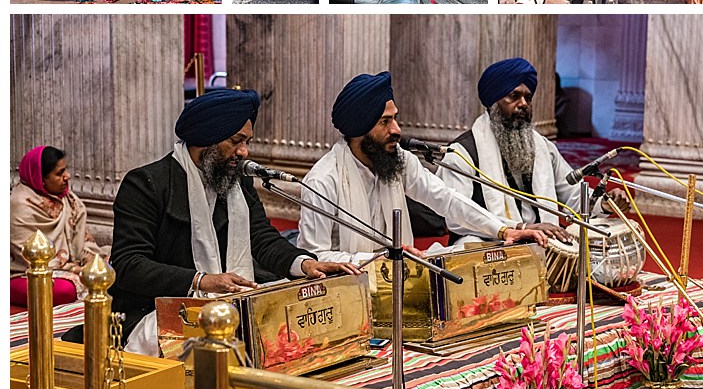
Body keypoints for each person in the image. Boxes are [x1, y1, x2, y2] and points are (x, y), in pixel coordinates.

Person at [109, 89, 354, 353]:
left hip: (229, 304)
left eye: (246, 141)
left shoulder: (236, 182)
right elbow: (128, 265)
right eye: (236, 141)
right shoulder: (147, 184)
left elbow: (262, 239)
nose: (244, 152)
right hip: (157, 311)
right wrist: (202, 281)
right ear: (207, 139)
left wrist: (306, 264)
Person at [298, 71, 545, 264]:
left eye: (395, 118)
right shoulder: (323, 181)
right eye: (386, 121)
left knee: (469, 252)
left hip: (401, 272)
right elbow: (314, 256)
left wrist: (503, 230)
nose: (397, 130)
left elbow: (446, 199)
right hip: (349, 288)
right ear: (360, 129)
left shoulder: (399, 160)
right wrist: (380, 260)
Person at [438, 58, 629, 246]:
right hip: (492, 242)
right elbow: (456, 216)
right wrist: (521, 227)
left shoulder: (543, 147)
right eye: (514, 97)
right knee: (468, 244)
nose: (523, 104)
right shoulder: (462, 152)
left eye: (527, 98)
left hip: (542, 241)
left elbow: (573, 197)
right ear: (493, 102)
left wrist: (604, 205)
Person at [11, 146, 109, 307]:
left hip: (67, 268)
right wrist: (76, 270)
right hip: (25, 273)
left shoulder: (67, 199)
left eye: (66, 170)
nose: (67, 176)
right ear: (40, 178)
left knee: (112, 264)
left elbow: (81, 243)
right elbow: (29, 259)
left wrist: (92, 261)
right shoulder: (19, 205)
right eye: (59, 173)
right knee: (65, 290)